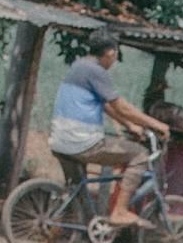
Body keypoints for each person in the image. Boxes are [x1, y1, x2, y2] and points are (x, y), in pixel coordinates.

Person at [47, 31, 167, 229]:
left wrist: (130, 125)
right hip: (82, 142)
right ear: (111, 53)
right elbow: (121, 106)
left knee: (73, 196)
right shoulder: (96, 71)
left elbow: (105, 105)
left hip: (60, 140)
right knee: (140, 155)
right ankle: (119, 212)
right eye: (116, 54)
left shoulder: (79, 66)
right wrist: (157, 124)